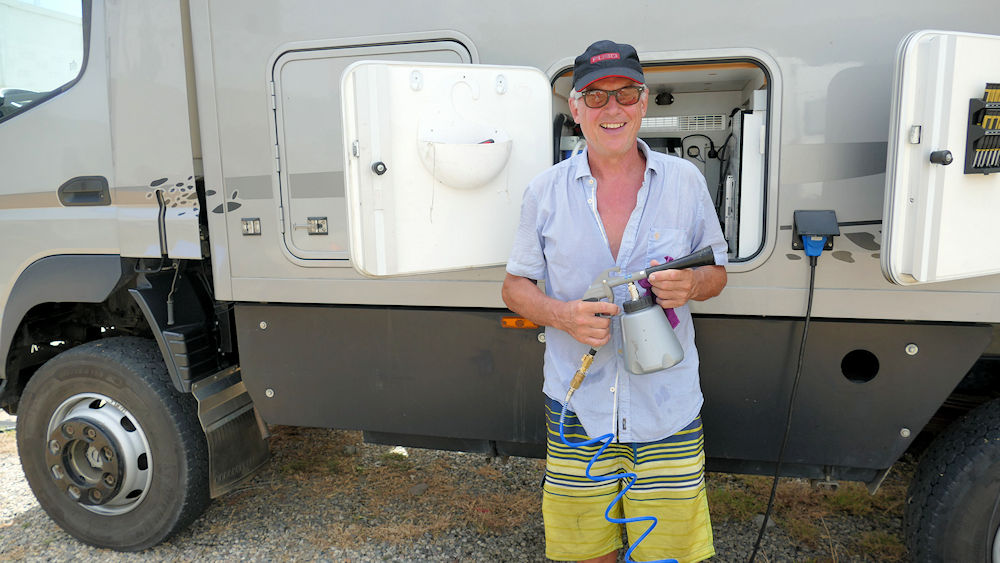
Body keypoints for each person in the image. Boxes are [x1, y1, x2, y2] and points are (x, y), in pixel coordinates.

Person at [501, 40, 728, 563]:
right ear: (575, 108)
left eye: (626, 94)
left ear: (643, 102)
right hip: (578, 408)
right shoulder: (545, 191)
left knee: (669, 552)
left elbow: (716, 273)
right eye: (596, 96)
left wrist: (691, 286)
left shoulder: (685, 182)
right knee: (587, 550)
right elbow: (514, 288)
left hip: (667, 408)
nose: (613, 109)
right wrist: (563, 316)